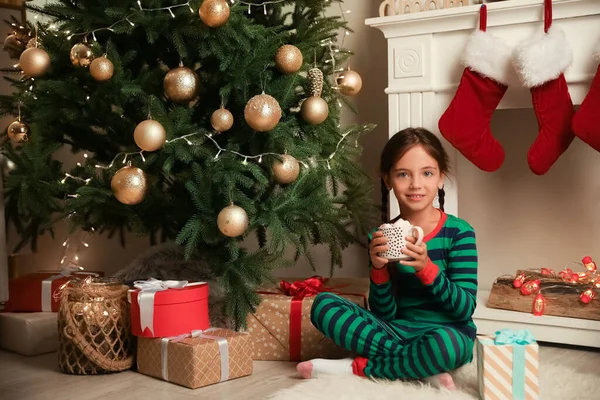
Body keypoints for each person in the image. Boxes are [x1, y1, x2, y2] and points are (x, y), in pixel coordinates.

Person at [296, 128, 478, 390]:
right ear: (388, 180)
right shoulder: (381, 236)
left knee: (444, 346)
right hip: (397, 331)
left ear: (441, 178)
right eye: (403, 174)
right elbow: (384, 314)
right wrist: (379, 269)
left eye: (427, 173)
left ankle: (358, 368)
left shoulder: (459, 233)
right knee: (323, 305)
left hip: (447, 333)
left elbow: (464, 309)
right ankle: (419, 368)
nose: (416, 184)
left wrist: (427, 269)